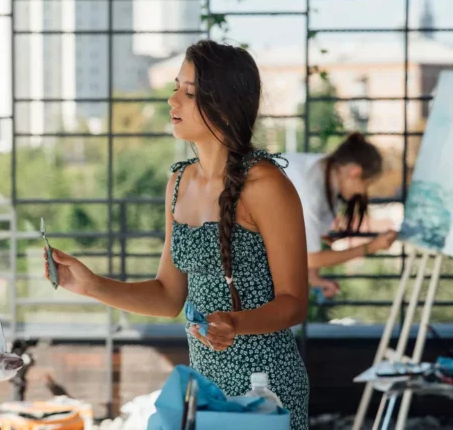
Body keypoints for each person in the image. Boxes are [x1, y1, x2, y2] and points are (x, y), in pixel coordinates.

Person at [44, 40, 310, 430]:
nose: (172, 101)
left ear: (223, 104)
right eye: (175, 87)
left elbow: (294, 303)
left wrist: (235, 323)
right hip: (204, 387)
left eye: (188, 92)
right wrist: (91, 285)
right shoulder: (178, 181)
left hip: (266, 390)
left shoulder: (266, 184)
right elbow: (169, 296)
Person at [283, 134, 398, 299]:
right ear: (355, 172)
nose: (362, 192)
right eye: (366, 185)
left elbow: (309, 241)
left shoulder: (325, 173)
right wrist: (371, 247)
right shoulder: (310, 189)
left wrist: (313, 277)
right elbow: (311, 258)